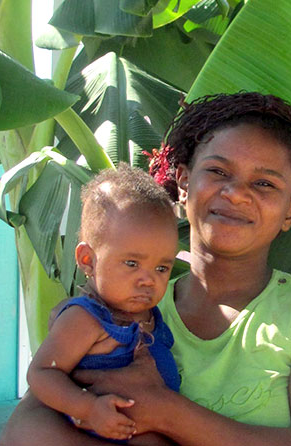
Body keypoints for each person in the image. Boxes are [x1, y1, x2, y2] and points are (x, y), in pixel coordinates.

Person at [1, 92, 291, 446]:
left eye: (264, 183)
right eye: (218, 172)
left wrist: (166, 413)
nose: (235, 193)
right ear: (183, 183)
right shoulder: (126, 306)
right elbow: (25, 427)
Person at [26, 164, 180, 444]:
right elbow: (41, 373)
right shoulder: (86, 319)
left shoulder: (152, 316)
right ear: (88, 260)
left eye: (162, 268)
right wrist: (88, 408)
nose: (148, 280)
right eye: (132, 264)